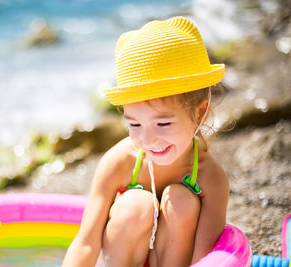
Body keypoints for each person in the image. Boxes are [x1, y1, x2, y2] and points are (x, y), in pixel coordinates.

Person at [62, 16, 229, 267]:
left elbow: (204, 259)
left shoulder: (211, 179)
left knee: (180, 201)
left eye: (163, 123)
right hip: (123, 258)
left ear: (198, 114)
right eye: (134, 124)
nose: (148, 139)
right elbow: (86, 242)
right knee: (137, 204)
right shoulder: (119, 162)